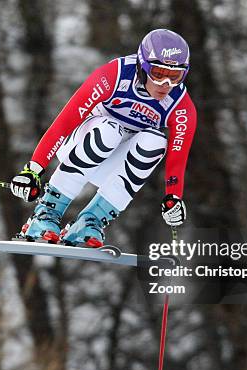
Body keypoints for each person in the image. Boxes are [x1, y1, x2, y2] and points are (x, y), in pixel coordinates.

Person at [10, 28, 197, 247]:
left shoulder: (181, 106)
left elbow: (177, 159)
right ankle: (46, 215)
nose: (165, 85)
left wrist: (173, 197)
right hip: (80, 147)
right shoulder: (114, 76)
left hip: (113, 167)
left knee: (155, 142)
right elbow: (64, 123)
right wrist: (33, 169)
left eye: (175, 77)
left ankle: (90, 222)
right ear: (142, 65)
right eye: (158, 73)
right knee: (110, 129)